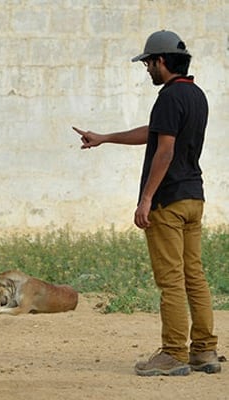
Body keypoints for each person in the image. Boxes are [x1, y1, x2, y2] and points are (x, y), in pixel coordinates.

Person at [72, 30, 221, 377]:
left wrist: (147, 198)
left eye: (149, 63)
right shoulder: (195, 95)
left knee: (171, 281)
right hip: (193, 198)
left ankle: (173, 353)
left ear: (162, 61)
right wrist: (105, 138)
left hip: (168, 202)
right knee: (194, 277)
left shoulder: (169, 96)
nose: (147, 70)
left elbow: (164, 149)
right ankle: (204, 350)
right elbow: (155, 133)